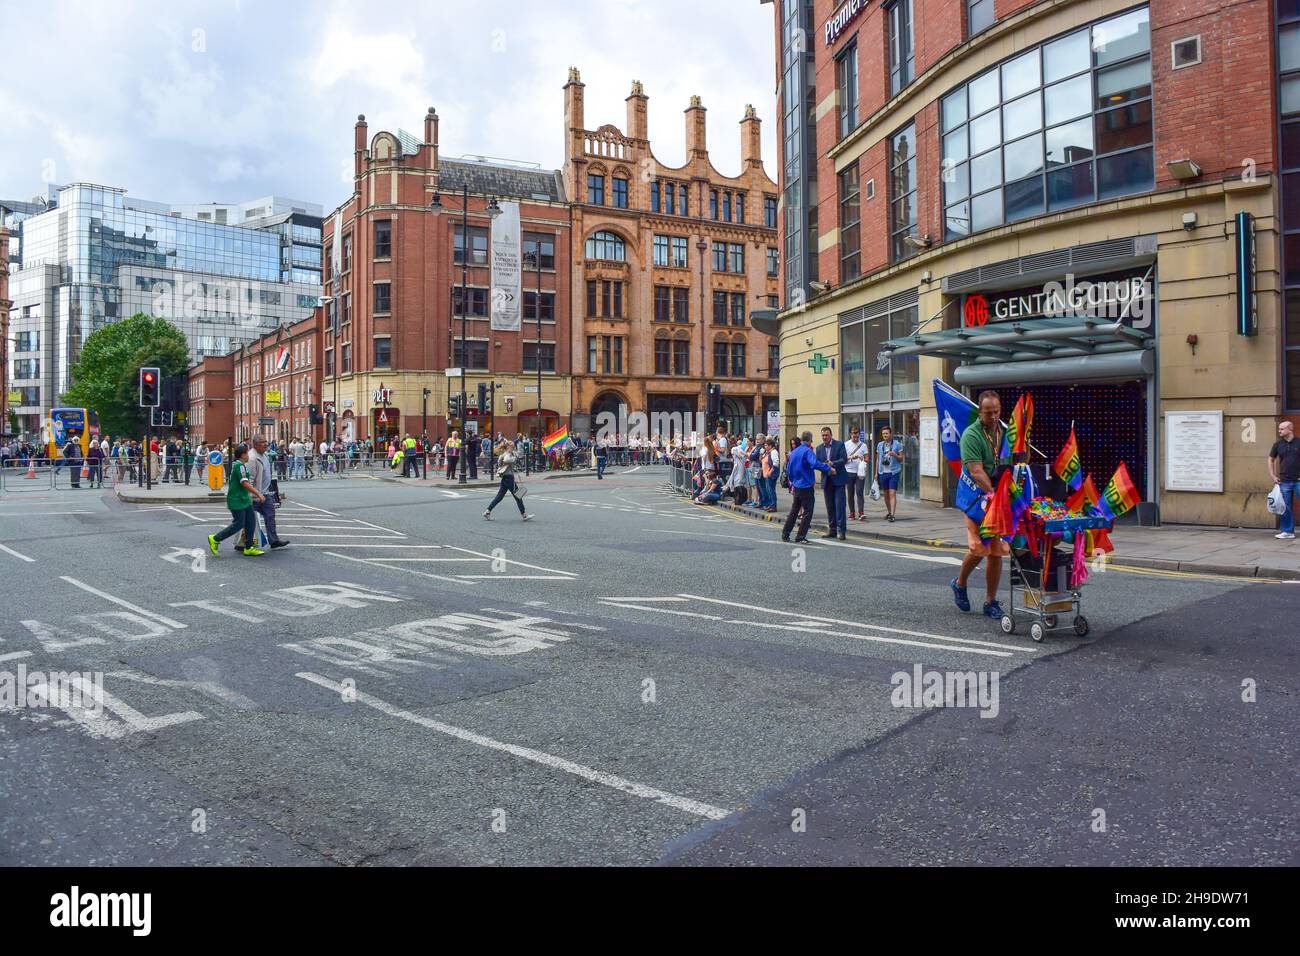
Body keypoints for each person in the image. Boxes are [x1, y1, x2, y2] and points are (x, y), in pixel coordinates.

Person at [951, 391, 1009, 620]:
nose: (993, 416)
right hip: (976, 496)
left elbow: (1015, 461)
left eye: (996, 411)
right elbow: (976, 471)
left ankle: (990, 601)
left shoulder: (1004, 432)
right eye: (988, 412)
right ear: (980, 411)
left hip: (997, 496)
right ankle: (960, 583)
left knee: (996, 551)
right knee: (978, 547)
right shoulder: (970, 435)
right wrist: (993, 493)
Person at [206, 443, 265, 557]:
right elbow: (244, 483)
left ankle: (249, 547)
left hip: (244, 499)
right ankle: (215, 538)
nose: (248, 455)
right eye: (247, 453)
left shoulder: (240, 465)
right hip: (237, 500)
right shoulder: (240, 466)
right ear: (242, 455)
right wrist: (258, 493)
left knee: (250, 522)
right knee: (238, 524)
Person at [782, 431, 833, 543]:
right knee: (807, 512)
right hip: (806, 486)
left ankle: (785, 533)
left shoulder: (794, 451)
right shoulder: (807, 451)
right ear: (810, 440)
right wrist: (829, 469)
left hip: (796, 485)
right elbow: (814, 463)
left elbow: (788, 469)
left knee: (794, 511)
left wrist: (793, 481)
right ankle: (800, 536)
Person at [248, 435, 289, 549]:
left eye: (266, 441)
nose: (266, 444)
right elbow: (249, 479)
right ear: (255, 445)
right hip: (254, 495)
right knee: (248, 520)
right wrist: (253, 494)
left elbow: (266, 475)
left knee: (270, 516)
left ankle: (274, 540)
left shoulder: (264, 455)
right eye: (262, 442)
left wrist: (273, 492)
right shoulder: (252, 458)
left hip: (265, 493)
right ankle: (244, 542)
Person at [483, 440, 533, 521]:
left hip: (505, 478)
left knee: (499, 497)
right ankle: (524, 515)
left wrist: (514, 455)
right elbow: (507, 460)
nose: (513, 448)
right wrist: (514, 457)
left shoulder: (505, 454)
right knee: (518, 496)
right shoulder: (507, 455)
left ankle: (487, 511)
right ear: (508, 447)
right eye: (512, 447)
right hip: (509, 478)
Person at [1268, 419, 1300, 540]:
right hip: (1284, 481)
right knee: (1285, 507)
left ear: (1290, 429)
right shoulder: (1278, 444)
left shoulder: (1299, 442)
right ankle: (1288, 532)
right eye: (1279, 428)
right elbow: (1270, 459)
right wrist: (1272, 475)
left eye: (1282, 428)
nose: (1279, 430)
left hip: (1298, 481)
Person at [816, 426, 849, 540]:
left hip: (838, 480)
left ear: (831, 435)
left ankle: (841, 531)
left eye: (826, 435)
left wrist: (832, 463)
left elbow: (844, 459)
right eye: (823, 435)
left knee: (839, 507)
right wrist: (826, 466)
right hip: (827, 481)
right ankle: (833, 530)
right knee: (830, 507)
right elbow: (818, 463)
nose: (824, 437)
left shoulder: (839, 445)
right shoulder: (819, 448)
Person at [876, 425, 904, 522]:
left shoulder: (897, 444)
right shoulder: (880, 445)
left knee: (893, 493)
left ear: (891, 434)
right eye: (883, 434)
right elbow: (878, 459)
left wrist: (895, 454)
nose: (885, 435)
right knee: (886, 494)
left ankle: (892, 514)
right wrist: (876, 473)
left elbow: (901, 459)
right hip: (883, 472)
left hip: (894, 472)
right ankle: (889, 512)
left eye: (887, 433)